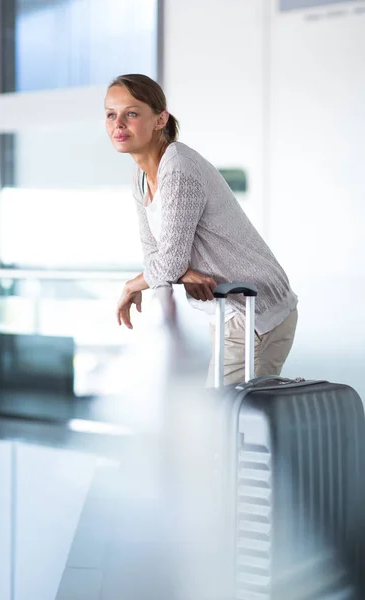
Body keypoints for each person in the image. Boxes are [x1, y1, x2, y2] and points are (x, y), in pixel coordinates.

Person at [105, 73, 298, 386]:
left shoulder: (178, 166)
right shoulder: (140, 178)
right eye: (111, 114)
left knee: (228, 421)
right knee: (229, 421)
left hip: (255, 309)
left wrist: (134, 285)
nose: (118, 124)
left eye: (132, 113)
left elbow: (168, 262)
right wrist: (180, 273)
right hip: (227, 308)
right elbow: (156, 255)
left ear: (159, 120)